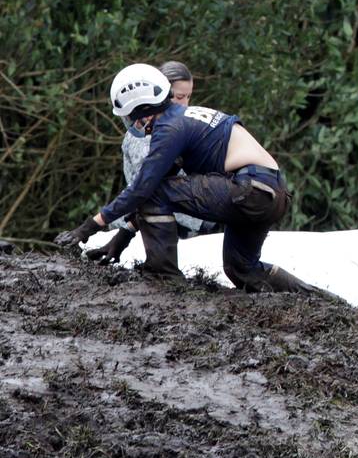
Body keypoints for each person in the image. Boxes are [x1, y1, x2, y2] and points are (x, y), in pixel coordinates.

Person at [54, 62, 316, 294]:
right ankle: (315, 299)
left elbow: (143, 190)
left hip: (251, 189)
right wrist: (121, 238)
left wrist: (87, 228)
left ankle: (164, 276)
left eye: (129, 118)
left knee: (152, 190)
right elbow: (156, 190)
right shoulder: (182, 118)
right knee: (242, 269)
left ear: (143, 112)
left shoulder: (169, 129)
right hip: (270, 192)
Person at [89, 61, 219, 265]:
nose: (185, 104)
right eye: (178, 97)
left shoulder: (182, 128)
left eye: (188, 97)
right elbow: (139, 188)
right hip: (151, 214)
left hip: (192, 217)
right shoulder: (138, 138)